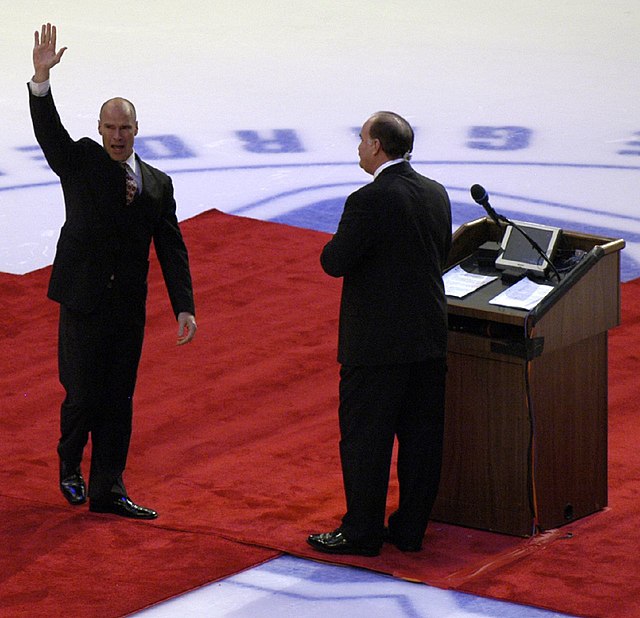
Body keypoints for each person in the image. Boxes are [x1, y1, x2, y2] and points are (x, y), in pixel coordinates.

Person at [29, 24, 197, 519]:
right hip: (82, 302)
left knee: (118, 401)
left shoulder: (158, 185)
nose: (118, 136)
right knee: (81, 395)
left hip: (127, 311)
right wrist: (41, 81)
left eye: (125, 128)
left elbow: (171, 247)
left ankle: (109, 488)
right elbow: (49, 134)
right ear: (100, 129)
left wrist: (184, 306)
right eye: (110, 128)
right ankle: (69, 465)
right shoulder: (80, 160)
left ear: (136, 130)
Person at [307, 112, 452, 556]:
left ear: (377, 147)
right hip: (429, 338)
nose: (358, 146)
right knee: (421, 440)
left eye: (362, 138)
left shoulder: (369, 199)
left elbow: (335, 261)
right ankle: (410, 531)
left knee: (366, 440)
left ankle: (362, 531)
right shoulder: (436, 193)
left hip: (377, 347)